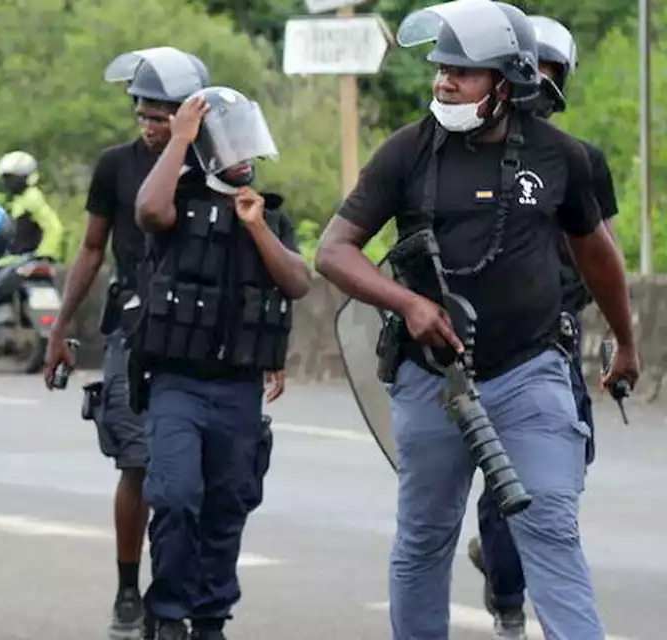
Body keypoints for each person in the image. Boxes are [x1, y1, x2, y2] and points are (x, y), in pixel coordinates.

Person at [314, 2, 639, 639]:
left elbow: (598, 255)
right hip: (430, 379)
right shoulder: (406, 152)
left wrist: (625, 341)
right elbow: (332, 250)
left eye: (462, 72)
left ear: (506, 81)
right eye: (441, 69)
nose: (443, 83)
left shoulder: (560, 156)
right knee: (425, 536)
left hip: (530, 371)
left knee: (550, 525)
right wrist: (406, 303)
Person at [41, 46, 212, 640]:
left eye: (163, 114)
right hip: (133, 331)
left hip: (201, 337)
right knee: (137, 463)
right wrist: (61, 329)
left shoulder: (218, 161)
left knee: (195, 474)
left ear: (193, 113)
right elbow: (91, 248)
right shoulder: (115, 166)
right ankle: (126, 589)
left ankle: (185, 595)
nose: (150, 124)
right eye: (142, 112)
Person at [463, 15, 622, 638]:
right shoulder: (460, 158)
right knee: (507, 491)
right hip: (484, 344)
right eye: (525, 75)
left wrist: (618, 334)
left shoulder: (579, 160)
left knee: (558, 480)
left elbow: (604, 251)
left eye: (547, 77)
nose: (534, 89)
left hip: (556, 339)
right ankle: (506, 598)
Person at [133, 86, 309, 640]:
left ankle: (209, 617)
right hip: (177, 382)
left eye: (247, 145)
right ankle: (165, 615)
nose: (243, 156)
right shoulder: (177, 200)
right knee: (177, 495)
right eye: (230, 145)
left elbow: (298, 282)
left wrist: (256, 226)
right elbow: (147, 211)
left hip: (238, 389)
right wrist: (181, 135)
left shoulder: (268, 215)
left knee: (227, 504)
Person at [0, 150, 65, 262]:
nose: (8, 183)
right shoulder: (18, 199)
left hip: (28, 260)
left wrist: (44, 256)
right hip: (15, 259)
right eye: (6, 179)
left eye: (12, 178)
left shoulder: (32, 197)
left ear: (25, 176)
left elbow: (53, 227)